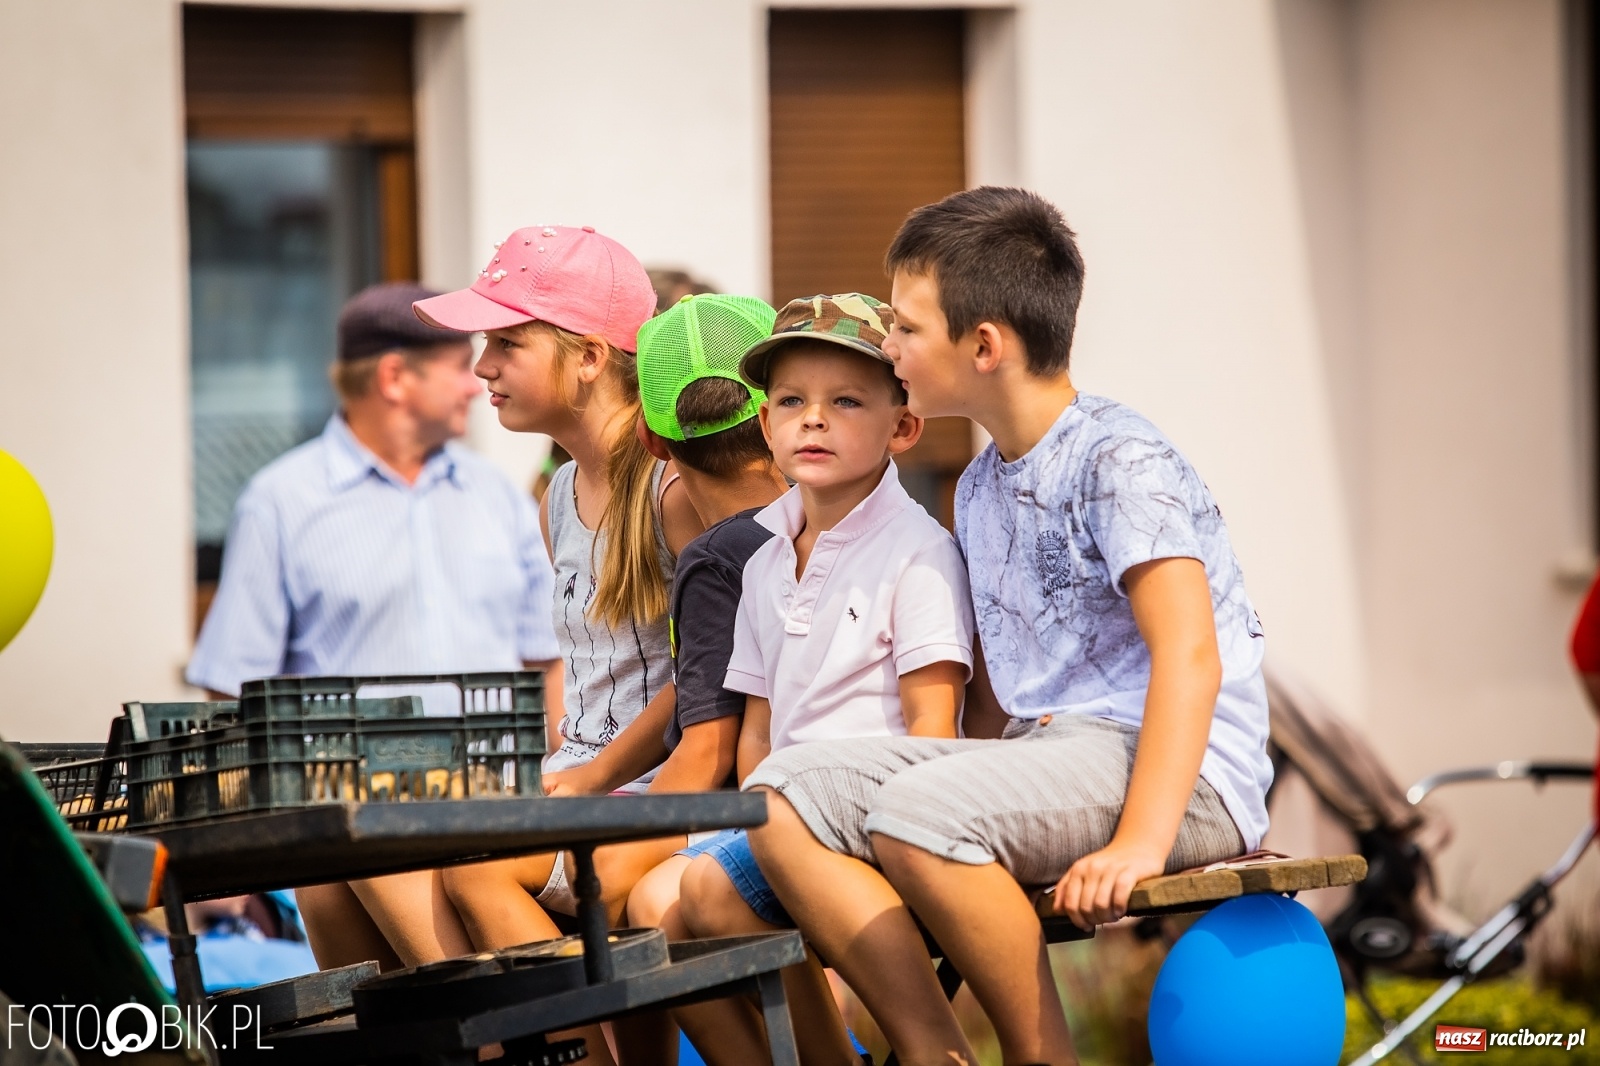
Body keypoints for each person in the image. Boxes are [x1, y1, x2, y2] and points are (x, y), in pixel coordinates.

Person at [744, 188, 1272, 1066]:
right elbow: (1002, 698)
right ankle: (933, 1051)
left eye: (905, 329)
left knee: (916, 813)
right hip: (1049, 756)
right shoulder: (978, 488)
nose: (889, 346)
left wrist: (1142, 842)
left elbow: (1190, 658)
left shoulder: (1119, 459)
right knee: (773, 795)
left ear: (984, 346)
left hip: (1178, 774)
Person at [185, 281, 561, 972]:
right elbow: (236, 694)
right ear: (394, 376)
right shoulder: (281, 502)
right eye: (456, 364)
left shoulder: (497, 499)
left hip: (504, 824)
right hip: (353, 844)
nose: (476, 384)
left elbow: (550, 661)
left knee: (517, 1015)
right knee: (426, 1026)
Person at [674, 295, 976, 1066]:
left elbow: (934, 733)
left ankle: (884, 1053)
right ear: (766, 426)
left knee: (700, 894)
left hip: (881, 819)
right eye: (791, 402)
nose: (814, 420)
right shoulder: (765, 558)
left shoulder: (919, 553)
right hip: (785, 821)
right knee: (667, 917)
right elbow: (760, 732)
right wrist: (746, 833)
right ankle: (826, 1056)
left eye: (846, 401)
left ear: (902, 428)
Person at [412, 223, 704, 945]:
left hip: (652, 801)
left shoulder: (674, 490)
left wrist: (592, 774)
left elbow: (710, 673)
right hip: (578, 785)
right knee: (348, 874)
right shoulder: (557, 495)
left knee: (475, 869)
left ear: (590, 359)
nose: (482, 368)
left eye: (508, 344)